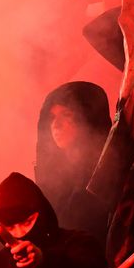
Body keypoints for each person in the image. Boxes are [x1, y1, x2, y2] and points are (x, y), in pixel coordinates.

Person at [35, 82, 112, 243]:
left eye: (67, 115)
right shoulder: (55, 179)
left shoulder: (107, 172)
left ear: (89, 119)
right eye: (52, 118)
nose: (56, 125)